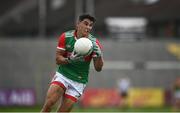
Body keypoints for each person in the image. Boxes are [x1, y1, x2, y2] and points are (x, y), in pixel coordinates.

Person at [41, 14, 104, 112]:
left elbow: (98, 68)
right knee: (49, 104)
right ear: (78, 24)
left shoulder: (94, 43)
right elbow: (57, 60)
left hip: (78, 81)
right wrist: (69, 60)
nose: (88, 27)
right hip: (63, 75)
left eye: (90, 25)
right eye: (86, 24)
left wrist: (99, 55)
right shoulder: (66, 37)